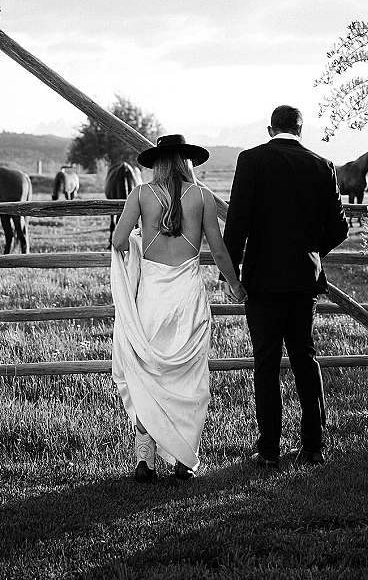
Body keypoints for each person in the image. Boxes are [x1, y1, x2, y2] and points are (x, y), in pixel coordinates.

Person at [110, 134, 246, 483]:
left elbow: (118, 240)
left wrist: (140, 243)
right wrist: (235, 284)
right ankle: (185, 460)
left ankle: (145, 459)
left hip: (151, 299)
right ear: (187, 161)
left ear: (157, 163)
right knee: (190, 378)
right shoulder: (201, 197)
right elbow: (217, 250)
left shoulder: (141, 195)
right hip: (187, 296)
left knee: (147, 373)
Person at [222, 105, 349, 470]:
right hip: (303, 280)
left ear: (269, 129)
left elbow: (238, 222)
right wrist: (310, 251)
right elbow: (338, 228)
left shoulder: (251, 160)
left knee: (266, 363)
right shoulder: (322, 165)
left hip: (262, 281)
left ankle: (268, 450)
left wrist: (231, 277)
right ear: (301, 130)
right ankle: (314, 446)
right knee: (305, 360)